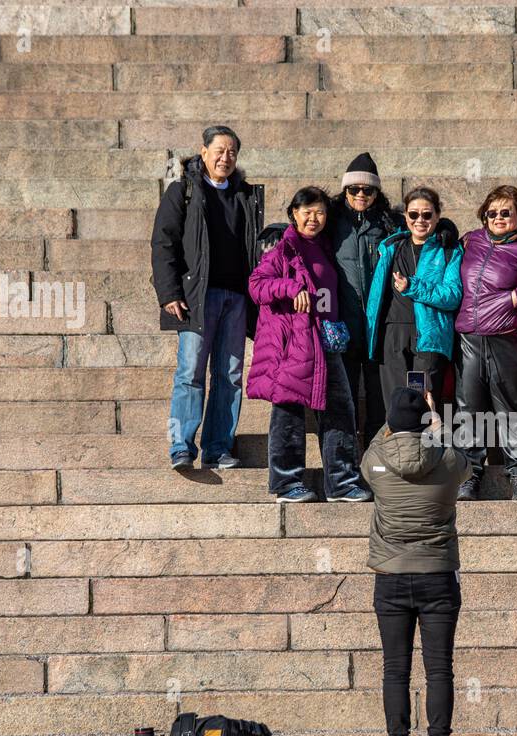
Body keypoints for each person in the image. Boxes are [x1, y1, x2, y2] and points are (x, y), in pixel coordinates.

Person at [362, 386, 471, 736]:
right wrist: (435, 426)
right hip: (438, 575)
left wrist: (395, 419)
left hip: (390, 577)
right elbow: (465, 463)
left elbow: (379, 442)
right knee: (440, 668)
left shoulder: (374, 459)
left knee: (396, 668)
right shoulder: (448, 461)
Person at [246, 186, 371, 503]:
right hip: (294, 342)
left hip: (326, 340)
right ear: (293, 214)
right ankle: (287, 484)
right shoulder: (282, 250)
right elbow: (257, 286)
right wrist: (290, 287)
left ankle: (342, 483)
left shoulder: (326, 247)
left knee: (341, 410)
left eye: (320, 212)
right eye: (306, 212)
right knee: (288, 412)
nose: (313, 218)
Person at [152, 124, 264, 470]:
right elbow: (163, 242)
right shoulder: (184, 190)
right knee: (190, 370)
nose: (225, 157)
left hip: (236, 298)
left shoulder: (246, 195)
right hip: (196, 297)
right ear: (203, 153)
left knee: (229, 375)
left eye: (232, 152)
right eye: (219, 150)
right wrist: (169, 292)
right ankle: (181, 445)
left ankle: (219, 447)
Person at [453, 185, 517, 501]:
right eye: (492, 212)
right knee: (469, 410)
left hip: (508, 340)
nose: (498, 217)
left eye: (505, 212)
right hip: (470, 338)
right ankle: (469, 475)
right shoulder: (472, 240)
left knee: (511, 409)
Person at [326, 152, 401, 453]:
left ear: (376, 192)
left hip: (378, 326)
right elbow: (299, 225)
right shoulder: (331, 221)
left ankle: (375, 459)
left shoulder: (389, 223)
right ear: (344, 191)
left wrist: (446, 228)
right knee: (343, 399)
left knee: (377, 398)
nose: (360, 195)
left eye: (367, 190)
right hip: (342, 324)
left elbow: (426, 229)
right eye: (353, 189)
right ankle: (345, 462)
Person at [364, 186, 463, 405]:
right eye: (413, 214)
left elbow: (452, 295)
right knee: (396, 405)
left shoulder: (449, 250)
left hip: (427, 340)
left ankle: (424, 441)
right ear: (406, 216)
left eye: (427, 214)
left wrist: (413, 286)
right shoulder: (391, 247)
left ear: (437, 216)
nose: (420, 220)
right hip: (392, 336)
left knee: (420, 403)